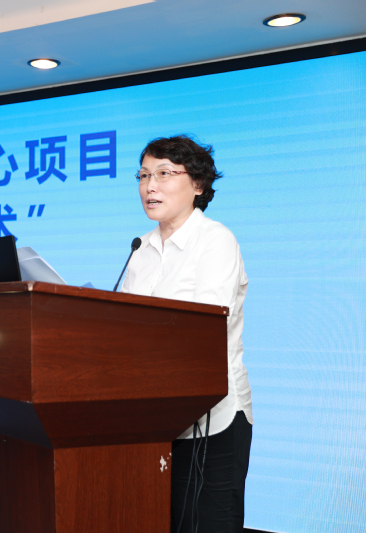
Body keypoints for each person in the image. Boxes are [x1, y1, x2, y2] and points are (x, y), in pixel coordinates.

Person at [120, 135, 252, 533]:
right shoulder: (140, 249)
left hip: (212, 419)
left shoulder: (215, 240)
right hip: (154, 419)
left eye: (164, 174)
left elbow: (202, 328)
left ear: (197, 184)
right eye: (144, 175)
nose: (150, 186)